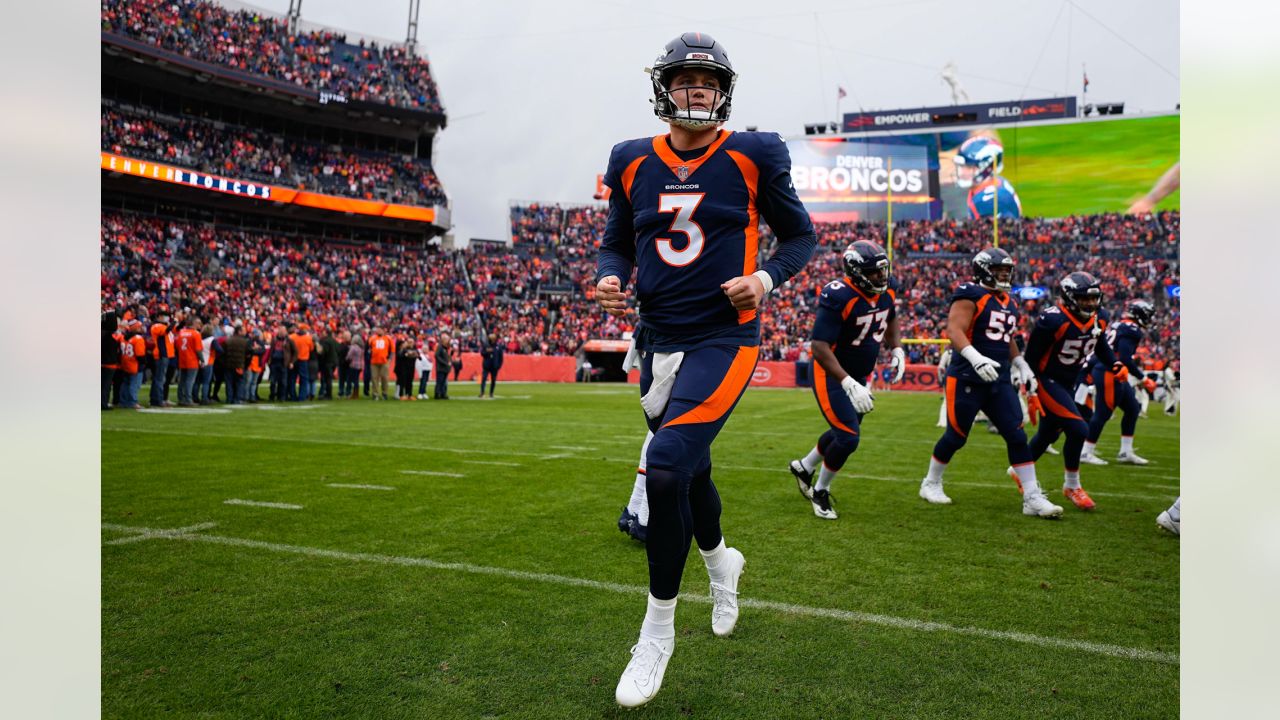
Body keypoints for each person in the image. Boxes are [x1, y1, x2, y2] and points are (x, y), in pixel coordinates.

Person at [596, 32, 817, 708]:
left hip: (725, 337)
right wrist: (610, 277)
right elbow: (614, 243)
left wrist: (767, 277)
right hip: (657, 337)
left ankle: (655, 633)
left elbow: (801, 235)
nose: (700, 89)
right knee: (691, 470)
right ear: (665, 86)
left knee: (663, 468)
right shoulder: (631, 159)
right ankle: (722, 560)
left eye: (710, 81)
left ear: (725, 91)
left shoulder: (753, 152)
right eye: (688, 78)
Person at [918, 248, 1063, 518]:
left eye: (1007, 271)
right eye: (999, 271)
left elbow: (1004, 337)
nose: (1004, 275)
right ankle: (930, 482)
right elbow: (954, 330)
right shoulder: (970, 293)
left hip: (999, 378)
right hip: (966, 377)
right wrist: (975, 358)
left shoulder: (1008, 301)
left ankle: (1032, 497)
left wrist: (1020, 363)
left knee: (1017, 435)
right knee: (956, 437)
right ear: (984, 270)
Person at [788, 240, 905, 520]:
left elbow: (890, 319)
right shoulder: (839, 295)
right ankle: (820, 490)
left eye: (882, 270)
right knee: (849, 437)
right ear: (855, 271)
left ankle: (804, 467)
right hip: (831, 372)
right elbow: (819, 346)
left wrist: (897, 348)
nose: (881, 276)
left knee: (842, 430)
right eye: (874, 271)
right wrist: (848, 383)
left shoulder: (887, 290)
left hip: (859, 374)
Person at [1016, 272, 1127, 511]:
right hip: (1046, 379)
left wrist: (1115, 363)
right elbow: (1032, 358)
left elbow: (1100, 345)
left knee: (1048, 434)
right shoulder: (1053, 319)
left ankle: (1019, 471)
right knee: (1079, 429)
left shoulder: (1101, 317)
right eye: (1083, 299)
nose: (1089, 303)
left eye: (1093, 298)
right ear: (1068, 297)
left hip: (1069, 380)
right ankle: (1072, 485)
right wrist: (1031, 388)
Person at [1081, 300, 1157, 465]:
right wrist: (1143, 378)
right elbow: (1124, 358)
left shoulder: (1119, 325)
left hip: (1111, 371)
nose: (1149, 319)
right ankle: (1086, 452)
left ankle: (1125, 451)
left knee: (1132, 408)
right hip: (1109, 371)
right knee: (1103, 412)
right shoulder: (1132, 330)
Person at [954, 136, 1022, 219]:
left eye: (968, 167)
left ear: (987, 167)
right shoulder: (992, 184)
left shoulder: (990, 201)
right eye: (961, 166)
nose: (961, 172)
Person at [175, 317, 203, 407]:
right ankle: (188, 399)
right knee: (189, 381)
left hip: (182, 359)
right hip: (192, 360)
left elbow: (177, 345)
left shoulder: (181, 332)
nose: (199, 326)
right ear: (194, 324)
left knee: (182, 381)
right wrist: (202, 359)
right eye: (198, 324)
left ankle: (181, 398)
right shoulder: (196, 334)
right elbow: (198, 350)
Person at [148, 310, 174, 408]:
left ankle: (154, 399)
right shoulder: (157, 326)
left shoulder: (164, 326)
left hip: (165, 355)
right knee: (160, 379)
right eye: (164, 316)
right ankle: (158, 400)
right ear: (158, 317)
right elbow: (166, 331)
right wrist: (174, 322)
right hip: (161, 354)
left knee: (158, 378)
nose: (166, 318)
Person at [102, 309, 122, 410]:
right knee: (106, 385)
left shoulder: (102, 333)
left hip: (103, 362)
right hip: (109, 363)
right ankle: (103, 403)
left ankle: (102, 402)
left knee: (103, 385)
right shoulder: (111, 335)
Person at [368, 326, 393, 401]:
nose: (378, 331)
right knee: (374, 378)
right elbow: (368, 349)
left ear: (383, 330)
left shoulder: (388, 338)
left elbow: (392, 350)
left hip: (384, 361)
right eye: (377, 329)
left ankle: (384, 393)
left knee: (384, 378)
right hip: (374, 361)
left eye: (380, 329)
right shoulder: (372, 338)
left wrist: (390, 359)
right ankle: (375, 394)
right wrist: (369, 357)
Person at [395, 332, 418, 400]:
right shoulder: (403, 349)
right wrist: (407, 354)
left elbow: (418, 356)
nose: (410, 343)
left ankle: (409, 394)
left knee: (410, 381)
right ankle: (402, 394)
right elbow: (400, 355)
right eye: (409, 342)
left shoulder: (414, 349)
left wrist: (413, 354)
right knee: (403, 381)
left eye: (412, 342)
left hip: (411, 367)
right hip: (403, 368)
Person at [318, 327, 340, 400]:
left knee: (327, 379)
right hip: (333, 362)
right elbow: (338, 349)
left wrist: (319, 351)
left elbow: (323, 352)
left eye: (323, 332)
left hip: (327, 362)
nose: (321, 333)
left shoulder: (326, 341)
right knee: (328, 378)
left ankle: (328, 395)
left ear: (326, 333)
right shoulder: (333, 340)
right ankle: (327, 394)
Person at [433, 332, 452, 399]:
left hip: (445, 368)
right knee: (440, 381)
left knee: (444, 382)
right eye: (447, 339)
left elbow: (448, 356)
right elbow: (436, 356)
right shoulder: (440, 347)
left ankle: (443, 393)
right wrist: (444, 362)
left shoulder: (447, 348)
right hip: (441, 367)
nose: (448, 341)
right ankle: (437, 393)